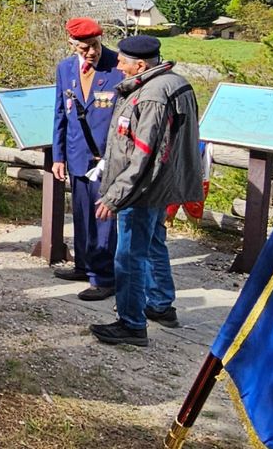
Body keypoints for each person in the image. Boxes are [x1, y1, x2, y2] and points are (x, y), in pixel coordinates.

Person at [92, 35, 203, 347]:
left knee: (128, 256)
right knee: (154, 244)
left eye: (123, 61)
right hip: (163, 186)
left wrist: (116, 196)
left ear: (140, 65)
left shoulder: (152, 95)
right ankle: (161, 305)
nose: (117, 64)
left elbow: (144, 153)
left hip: (141, 191)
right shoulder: (175, 83)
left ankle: (131, 322)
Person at [52, 17, 127, 300]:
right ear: (72, 45)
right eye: (84, 48)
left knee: (103, 218)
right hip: (76, 154)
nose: (91, 53)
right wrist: (58, 156)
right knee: (82, 214)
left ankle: (105, 277)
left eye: (94, 45)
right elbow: (61, 113)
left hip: (106, 158)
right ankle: (83, 264)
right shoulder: (65, 68)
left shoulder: (117, 67)